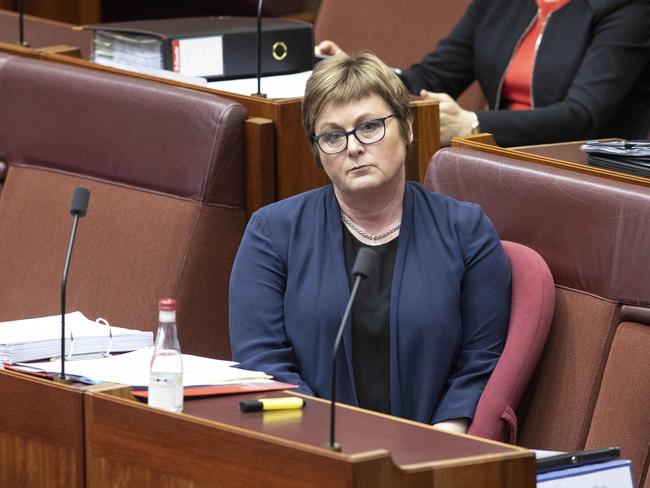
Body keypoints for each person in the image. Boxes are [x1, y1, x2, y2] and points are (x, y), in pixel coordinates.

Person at [229, 53, 511, 432]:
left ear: (408, 127)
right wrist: (330, 444)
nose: (354, 147)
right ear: (317, 149)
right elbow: (261, 362)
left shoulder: (466, 230)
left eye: (370, 126)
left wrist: (444, 444)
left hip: (435, 457)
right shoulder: (273, 232)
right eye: (332, 135)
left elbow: (480, 362)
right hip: (313, 449)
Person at [316, 0, 650, 147]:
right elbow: (432, 76)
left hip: (579, 167)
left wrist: (473, 125)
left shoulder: (627, 7)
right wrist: (358, 74)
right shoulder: (499, 3)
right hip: (497, 155)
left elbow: (584, 117)